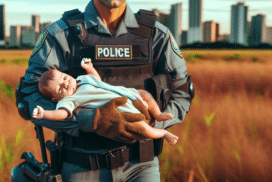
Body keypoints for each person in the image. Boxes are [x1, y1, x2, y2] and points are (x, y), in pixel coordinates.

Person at [16, 0, 194, 182]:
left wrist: (150, 122)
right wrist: (89, 120)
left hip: (141, 167)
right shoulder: (62, 35)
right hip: (80, 169)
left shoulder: (155, 35)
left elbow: (183, 91)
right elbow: (28, 95)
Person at [32, 58, 179, 146]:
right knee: (143, 129)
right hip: (121, 111)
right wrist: (45, 113)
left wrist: (90, 68)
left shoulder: (82, 79)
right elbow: (62, 114)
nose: (65, 84)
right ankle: (164, 133)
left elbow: (97, 80)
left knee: (144, 93)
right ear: (56, 99)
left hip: (128, 94)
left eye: (64, 78)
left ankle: (158, 115)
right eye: (59, 89)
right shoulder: (70, 100)